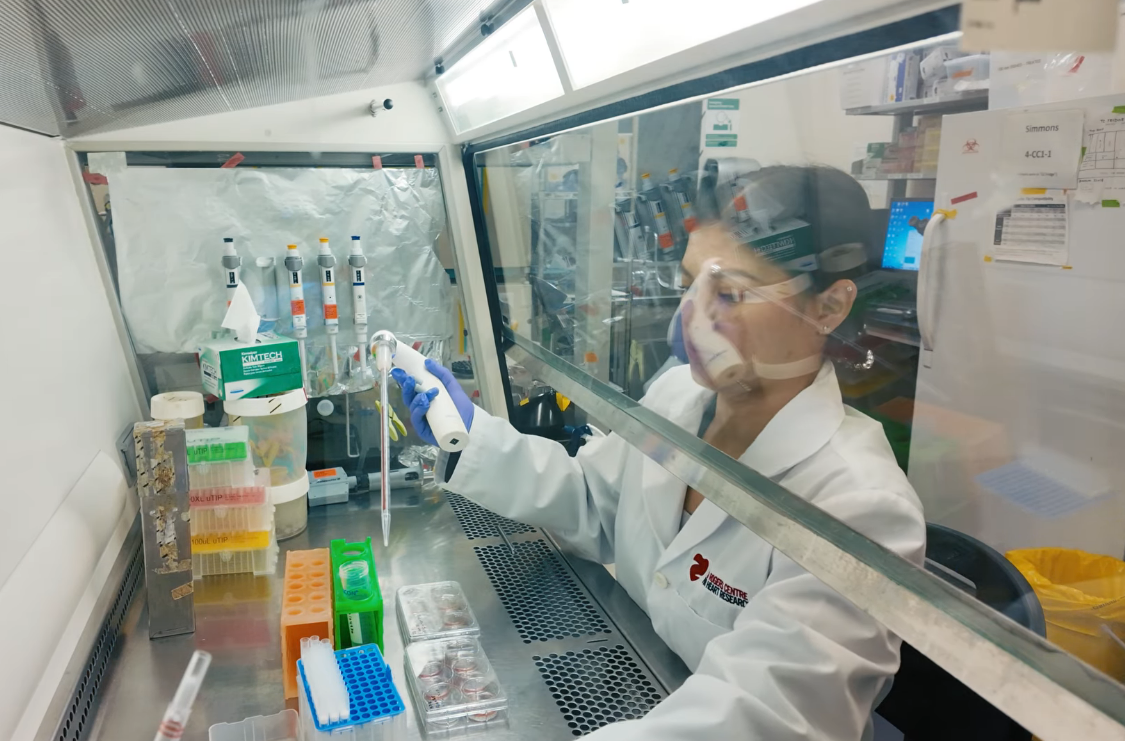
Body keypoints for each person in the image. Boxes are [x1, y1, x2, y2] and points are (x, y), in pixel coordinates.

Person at [394, 166, 926, 741]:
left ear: (829, 307)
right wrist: (472, 435)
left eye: (730, 293)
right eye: (691, 284)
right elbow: (596, 502)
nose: (691, 319)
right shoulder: (680, 397)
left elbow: (762, 714)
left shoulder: (862, 506)